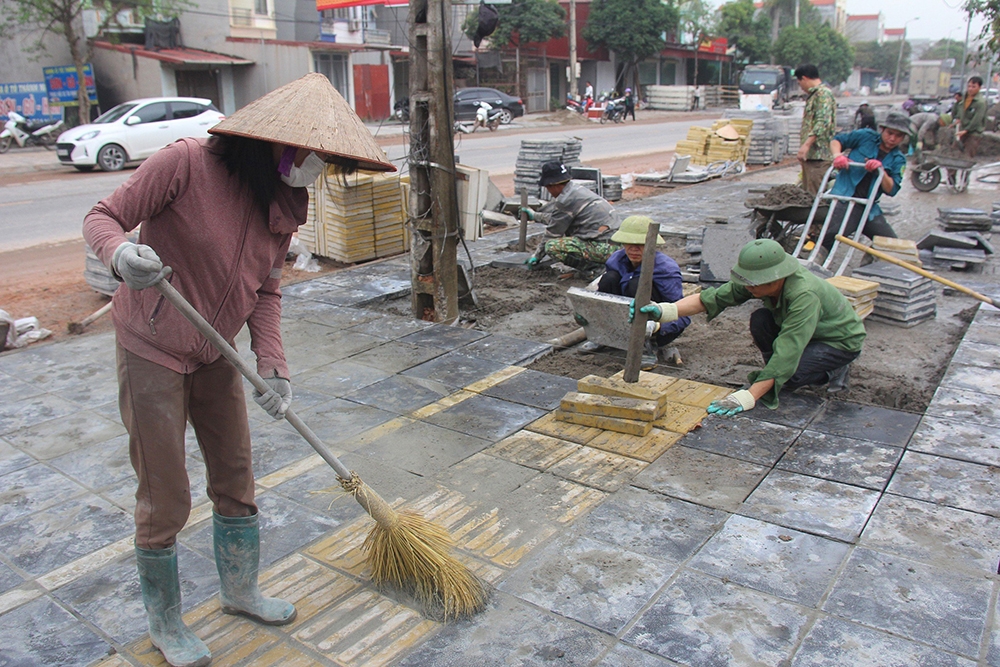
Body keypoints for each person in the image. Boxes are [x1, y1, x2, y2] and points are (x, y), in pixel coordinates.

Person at [82, 73, 394, 667]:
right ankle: (166, 622)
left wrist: (273, 366)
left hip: (214, 351)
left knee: (236, 476)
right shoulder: (184, 165)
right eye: (315, 158)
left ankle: (240, 590)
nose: (317, 171)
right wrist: (120, 254)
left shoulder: (281, 203)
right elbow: (103, 216)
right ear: (275, 145)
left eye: (326, 162)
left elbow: (267, 290)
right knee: (165, 491)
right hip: (153, 343)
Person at [630, 239, 866, 415]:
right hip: (804, 332)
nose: (748, 289)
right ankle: (773, 377)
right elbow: (712, 298)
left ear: (776, 278)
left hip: (837, 341)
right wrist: (664, 310)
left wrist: (748, 397)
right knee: (761, 319)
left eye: (753, 285)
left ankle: (835, 371)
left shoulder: (804, 295)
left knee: (789, 373)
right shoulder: (758, 280)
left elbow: (788, 351)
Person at [597, 215, 689, 367]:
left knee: (637, 284)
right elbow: (603, 292)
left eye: (641, 244)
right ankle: (605, 336)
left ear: (652, 244)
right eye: (629, 243)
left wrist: (657, 326)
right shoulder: (616, 260)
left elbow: (682, 314)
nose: (634, 249)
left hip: (656, 324)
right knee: (609, 278)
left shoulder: (666, 269)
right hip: (626, 317)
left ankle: (646, 345)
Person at [819, 111, 908, 253]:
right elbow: (837, 141)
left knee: (892, 246)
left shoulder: (898, 159)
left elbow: (892, 189)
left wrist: (881, 171)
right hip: (845, 198)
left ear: (903, 138)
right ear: (882, 130)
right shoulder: (865, 136)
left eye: (898, 136)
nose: (892, 138)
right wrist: (838, 156)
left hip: (869, 207)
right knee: (830, 236)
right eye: (889, 133)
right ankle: (817, 261)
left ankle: (871, 268)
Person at [521, 161, 619, 273]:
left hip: (606, 249)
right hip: (614, 244)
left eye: (548, 187)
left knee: (552, 247)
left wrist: (537, 256)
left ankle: (595, 270)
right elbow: (558, 220)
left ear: (553, 185)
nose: (548, 191)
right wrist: (534, 215)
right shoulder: (575, 190)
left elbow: (553, 233)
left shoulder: (566, 200)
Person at [795, 64, 837, 196]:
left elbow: (823, 122)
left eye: (799, 82)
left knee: (815, 197)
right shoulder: (815, 95)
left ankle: (817, 217)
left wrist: (806, 145)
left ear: (805, 78)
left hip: (819, 157)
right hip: (811, 157)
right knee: (808, 195)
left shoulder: (823, 94)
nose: (800, 87)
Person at [955, 75, 987, 158]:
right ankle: (951, 171)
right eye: (969, 86)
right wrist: (958, 119)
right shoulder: (964, 99)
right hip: (962, 129)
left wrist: (966, 130)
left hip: (974, 132)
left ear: (979, 87)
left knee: (967, 156)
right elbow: (961, 111)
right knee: (953, 153)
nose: (970, 89)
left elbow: (977, 119)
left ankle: (965, 170)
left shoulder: (980, 102)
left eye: (973, 87)